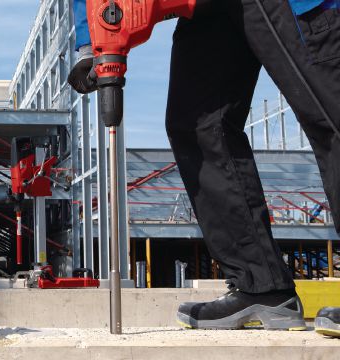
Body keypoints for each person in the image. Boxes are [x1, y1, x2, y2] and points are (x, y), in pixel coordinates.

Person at [68, 0, 339, 336]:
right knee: (197, 126)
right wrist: (90, 37)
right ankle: (261, 286)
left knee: (330, 111)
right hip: (207, 8)